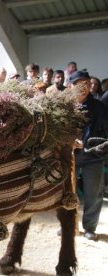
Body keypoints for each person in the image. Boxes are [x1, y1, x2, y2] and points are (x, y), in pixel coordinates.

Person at [70, 70, 108, 241]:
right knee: (66, 192)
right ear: (71, 86)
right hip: (69, 156)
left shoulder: (100, 107)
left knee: (94, 193)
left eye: (86, 83)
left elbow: (105, 135)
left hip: (93, 156)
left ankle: (90, 228)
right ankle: (68, 225)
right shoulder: (65, 105)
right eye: (78, 84)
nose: (83, 87)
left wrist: (87, 144)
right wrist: (67, 142)